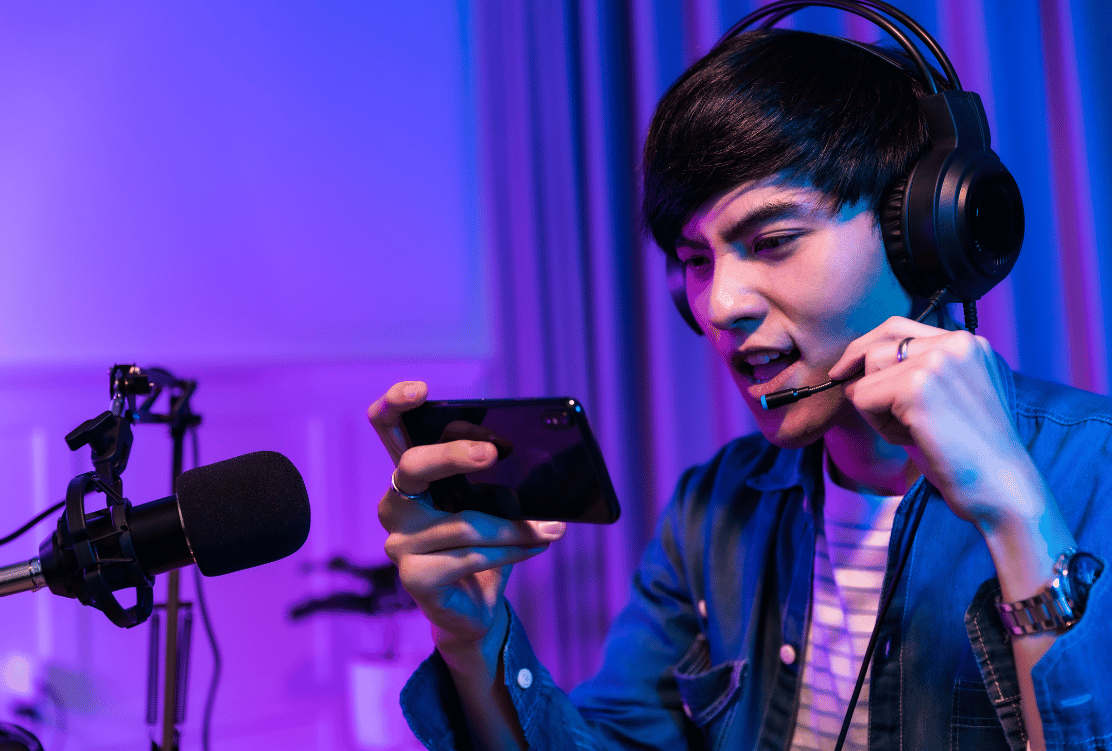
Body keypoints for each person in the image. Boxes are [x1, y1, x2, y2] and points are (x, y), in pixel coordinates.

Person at [369, 24, 1110, 751]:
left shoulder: (1093, 474)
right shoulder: (711, 515)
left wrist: (1016, 515)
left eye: (772, 241)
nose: (720, 305)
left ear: (919, 233)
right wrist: (475, 643)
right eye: (696, 260)